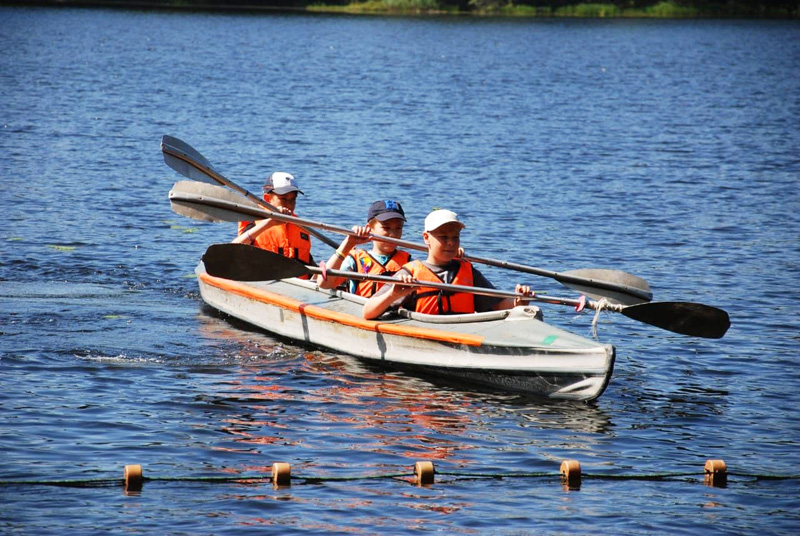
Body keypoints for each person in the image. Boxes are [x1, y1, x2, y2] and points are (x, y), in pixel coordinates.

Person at [362, 209, 534, 320]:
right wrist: (392, 294)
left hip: (461, 333)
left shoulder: (468, 271)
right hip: (427, 336)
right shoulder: (410, 272)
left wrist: (518, 301)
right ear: (426, 238)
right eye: (443, 237)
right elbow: (367, 312)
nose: (451, 243)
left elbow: (498, 305)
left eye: (455, 237)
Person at [317, 200, 411, 297]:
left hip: (394, 311)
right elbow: (324, 284)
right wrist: (348, 243)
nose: (393, 235)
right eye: (386, 228)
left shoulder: (409, 263)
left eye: (398, 228)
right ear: (369, 228)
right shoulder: (354, 260)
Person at [232, 171, 314, 266]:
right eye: (283, 199)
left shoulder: (300, 226)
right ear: (267, 198)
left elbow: (306, 260)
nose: (289, 205)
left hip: (294, 279)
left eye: (293, 199)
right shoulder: (254, 219)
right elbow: (233, 249)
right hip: (262, 277)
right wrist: (269, 223)